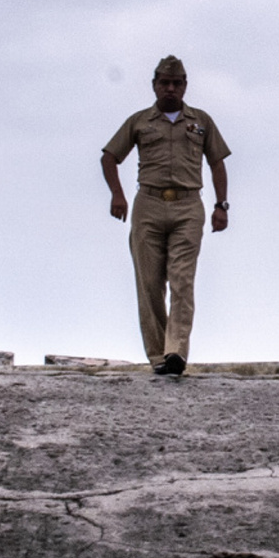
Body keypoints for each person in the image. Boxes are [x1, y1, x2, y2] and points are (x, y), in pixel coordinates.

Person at [99, 56, 230, 377]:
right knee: (150, 282)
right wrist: (117, 194)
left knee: (182, 280)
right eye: (164, 83)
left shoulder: (201, 121)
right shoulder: (140, 122)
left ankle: (176, 351)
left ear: (185, 86)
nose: (170, 89)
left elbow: (217, 162)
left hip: (188, 206)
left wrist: (221, 205)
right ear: (154, 85)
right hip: (149, 204)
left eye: (176, 83)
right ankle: (158, 354)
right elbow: (109, 157)